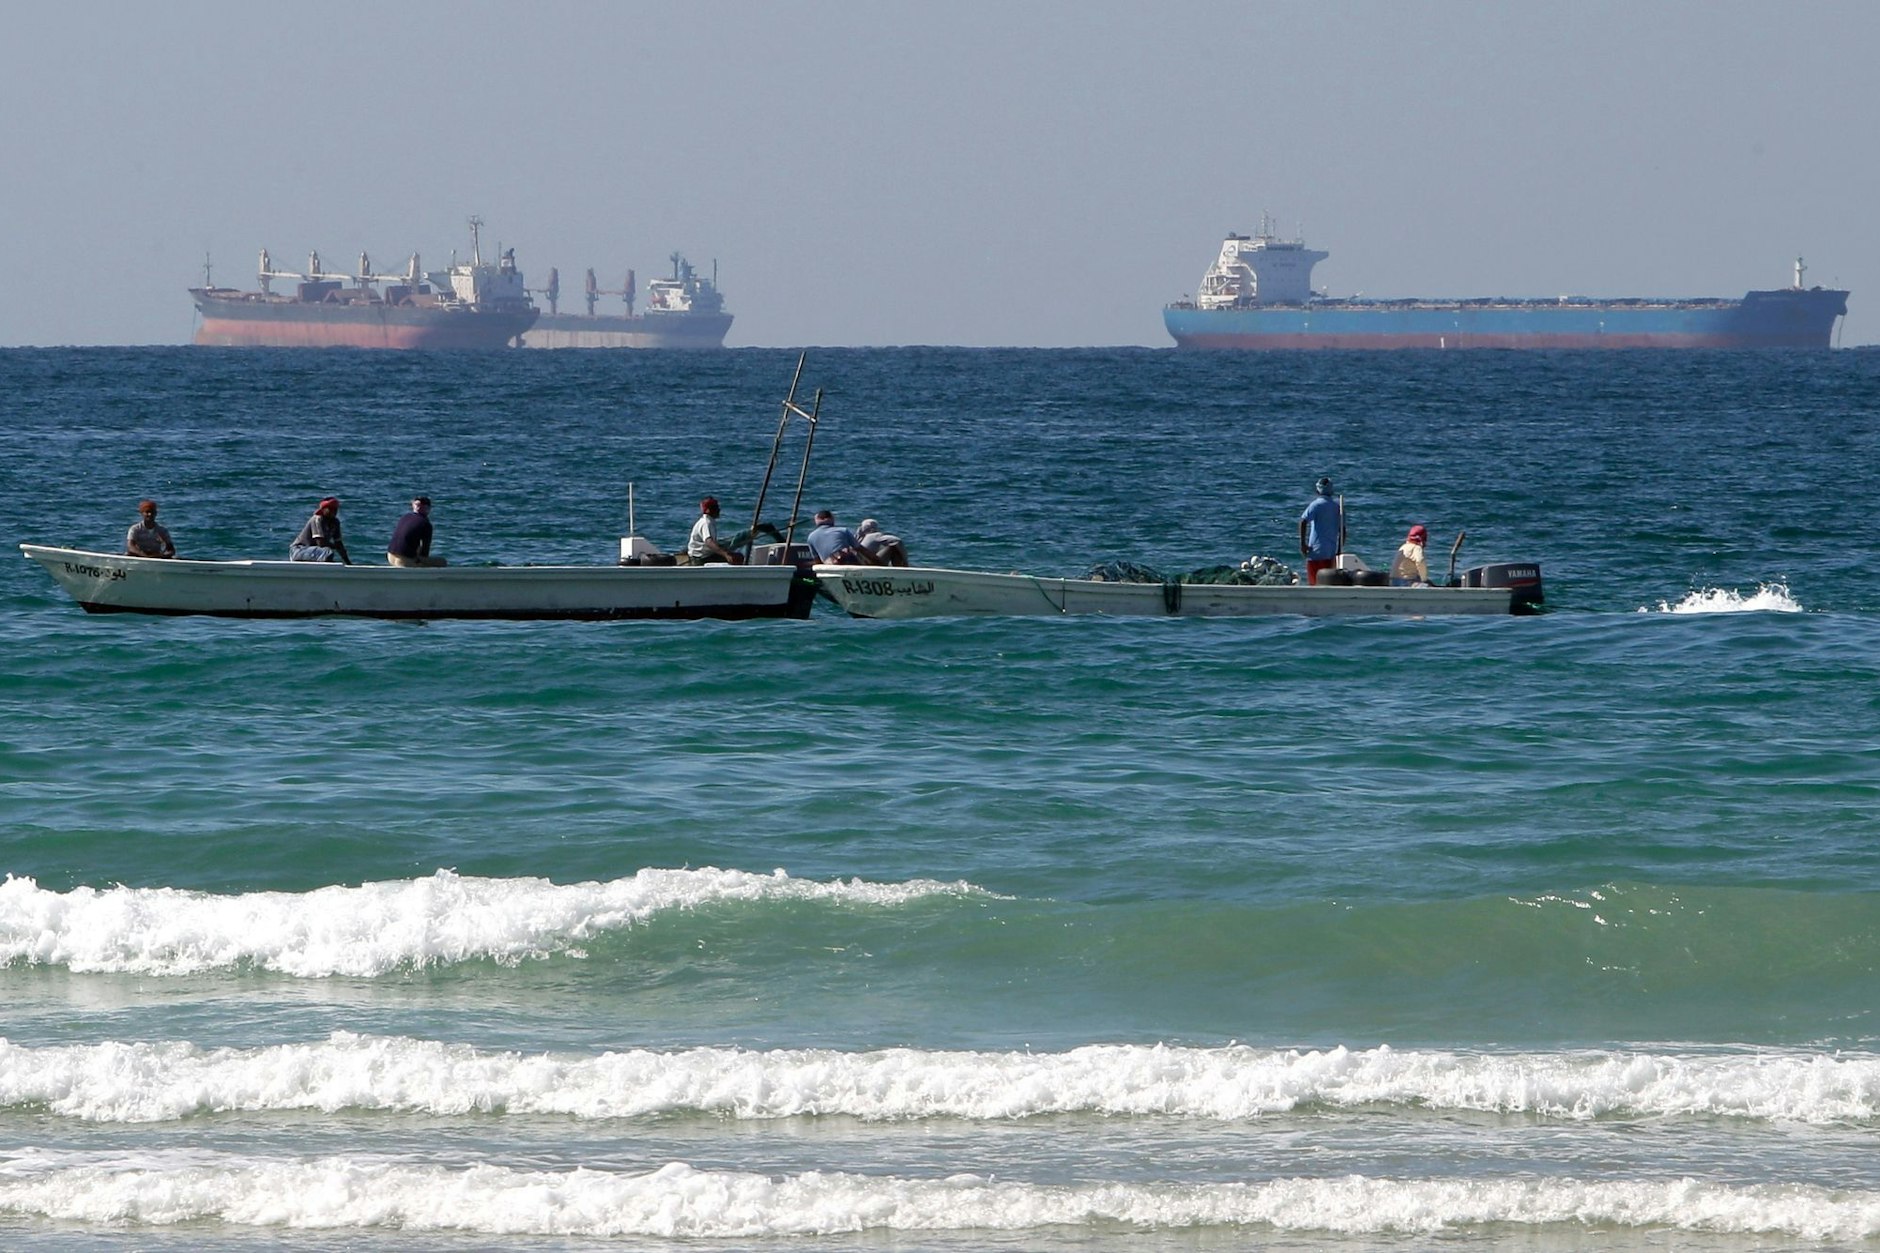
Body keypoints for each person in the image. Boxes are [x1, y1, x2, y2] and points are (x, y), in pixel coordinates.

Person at [1297, 477, 1343, 585]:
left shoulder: (1315, 505)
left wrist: (1303, 544)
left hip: (1316, 553)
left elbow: (1303, 522)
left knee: (1314, 583)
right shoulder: (1337, 507)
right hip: (1331, 553)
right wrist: (1339, 549)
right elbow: (1343, 530)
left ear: (1318, 490)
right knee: (1327, 584)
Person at [387, 496, 447, 567]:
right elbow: (425, 550)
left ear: (413, 505)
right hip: (404, 561)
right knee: (442, 562)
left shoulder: (405, 517)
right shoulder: (425, 524)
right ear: (428, 508)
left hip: (390, 556)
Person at [807, 509, 880, 565]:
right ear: (832, 519)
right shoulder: (843, 531)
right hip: (846, 562)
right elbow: (861, 550)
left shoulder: (811, 536)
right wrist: (878, 562)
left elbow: (817, 561)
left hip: (829, 566)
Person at [290, 497, 351, 564]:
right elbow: (321, 543)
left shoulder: (335, 522)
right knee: (327, 552)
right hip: (299, 550)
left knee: (326, 552)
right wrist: (336, 547)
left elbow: (339, 543)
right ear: (324, 510)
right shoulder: (317, 519)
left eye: (335, 509)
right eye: (330, 509)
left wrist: (348, 563)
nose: (334, 511)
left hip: (314, 552)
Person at [686, 496, 742, 565]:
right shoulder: (706, 523)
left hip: (703, 555)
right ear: (708, 510)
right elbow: (709, 542)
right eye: (716, 508)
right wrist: (725, 554)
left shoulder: (708, 521)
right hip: (701, 558)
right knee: (737, 558)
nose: (719, 510)